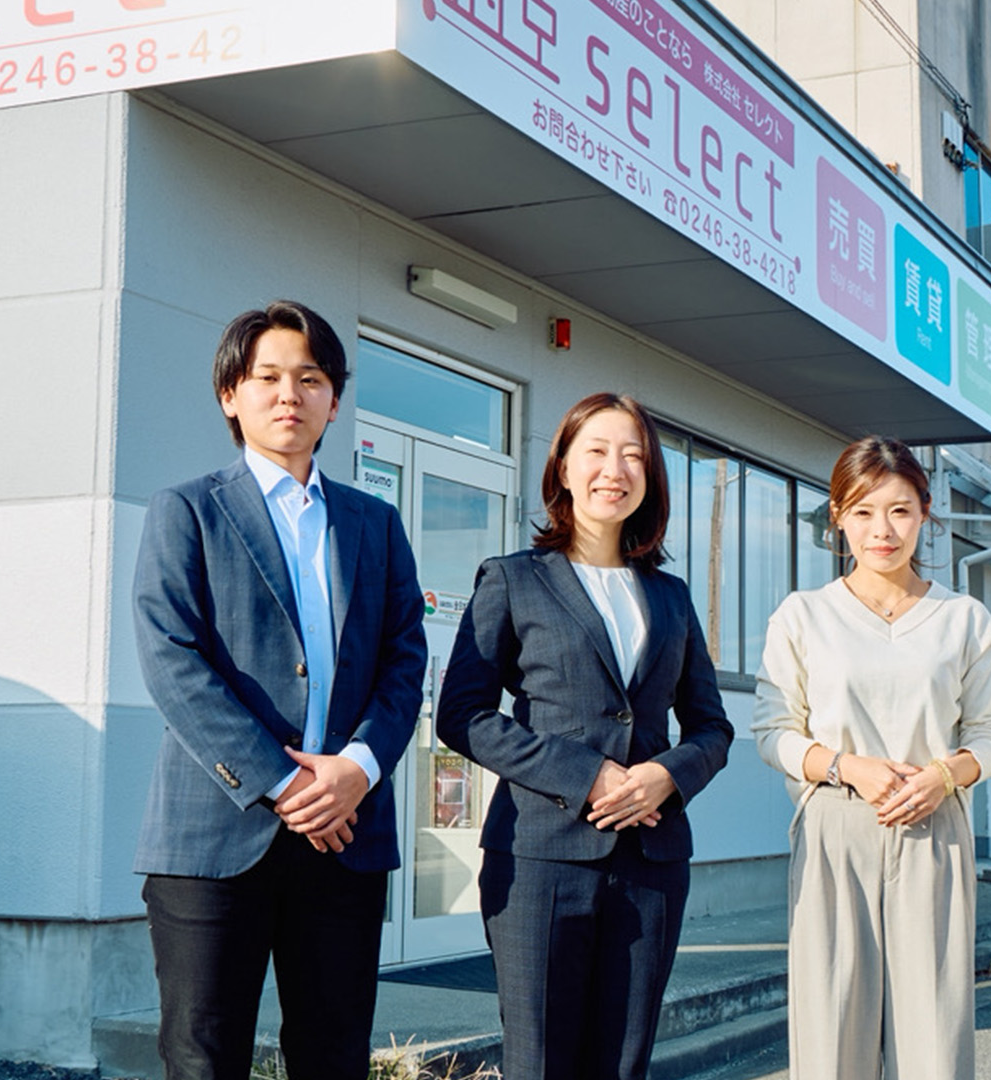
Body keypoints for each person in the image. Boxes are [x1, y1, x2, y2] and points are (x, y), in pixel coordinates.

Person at [132, 300, 428, 1080]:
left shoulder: (375, 523)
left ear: (334, 400)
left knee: (334, 1056)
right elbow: (170, 659)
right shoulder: (188, 510)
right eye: (266, 377)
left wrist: (359, 766)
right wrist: (283, 782)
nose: (288, 394)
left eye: (310, 378)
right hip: (214, 835)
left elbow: (405, 659)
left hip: (346, 834)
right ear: (231, 394)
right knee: (204, 1059)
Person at [435, 392, 734, 1080]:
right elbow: (464, 714)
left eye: (633, 455)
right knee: (540, 1062)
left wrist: (668, 775)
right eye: (596, 451)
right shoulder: (513, 579)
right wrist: (584, 773)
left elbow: (712, 725)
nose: (614, 469)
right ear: (563, 468)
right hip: (541, 858)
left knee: (623, 1064)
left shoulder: (671, 596)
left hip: (652, 861)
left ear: (650, 477)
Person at [751, 435, 991, 1080]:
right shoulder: (803, 616)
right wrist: (847, 767)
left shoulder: (964, 619)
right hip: (835, 827)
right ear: (838, 515)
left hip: (933, 829)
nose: (883, 530)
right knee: (832, 1025)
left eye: (899, 510)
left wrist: (945, 775)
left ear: (925, 512)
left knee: (933, 1031)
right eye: (863, 511)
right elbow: (773, 732)